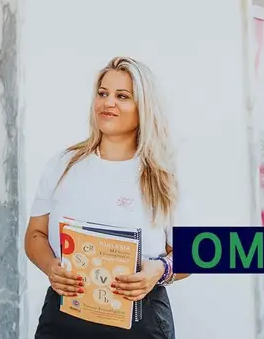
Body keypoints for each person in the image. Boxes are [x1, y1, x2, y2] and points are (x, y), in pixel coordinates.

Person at [25, 56, 189, 339]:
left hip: (141, 323)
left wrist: (160, 270)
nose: (107, 102)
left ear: (144, 107)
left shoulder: (163, 174)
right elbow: (35, 235)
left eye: (122, 96)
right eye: (103, 93)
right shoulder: (62, 165)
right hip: (64, 319)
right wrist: (51, 267)